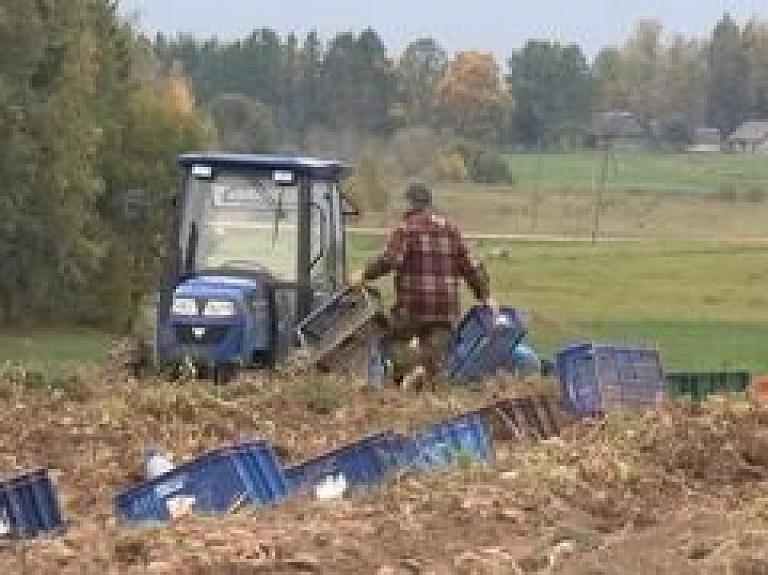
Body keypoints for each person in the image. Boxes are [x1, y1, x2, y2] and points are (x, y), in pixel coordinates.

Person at [350, 181, 495, 389]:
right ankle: (428, 389)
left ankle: (410, 369)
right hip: (445, 310)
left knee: (389, 340)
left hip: (413, 308)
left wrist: (364, 274)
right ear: (429, 203)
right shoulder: (451, 229)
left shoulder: (406, 229)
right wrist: (485, 295)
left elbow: (390, 260)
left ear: (409, 204)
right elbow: (471, 266)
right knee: (434, 359)